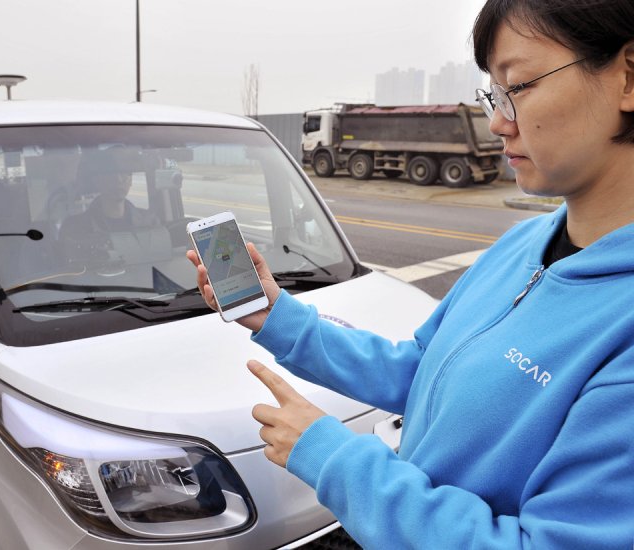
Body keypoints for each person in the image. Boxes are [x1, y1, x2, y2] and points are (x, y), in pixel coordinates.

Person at [187, 0, 634, 547]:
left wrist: (336, 459)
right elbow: (420, 370)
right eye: (494, 95)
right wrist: (277, 317)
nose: (498, 121)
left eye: (518, 87)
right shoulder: (523, 243)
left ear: (627, 78)